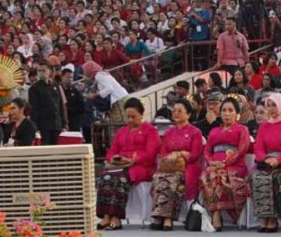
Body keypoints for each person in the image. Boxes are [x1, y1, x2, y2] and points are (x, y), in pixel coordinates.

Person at [95, 97, 158, 230]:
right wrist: (114, 159)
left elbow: (150, 153)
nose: (129, 120)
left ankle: (116, 218)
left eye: (133, 116)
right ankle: (106, 216)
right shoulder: (121, 131)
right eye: (127, 116)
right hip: (120, 165)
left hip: (141, 166)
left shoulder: (150, 130)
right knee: (105, 175)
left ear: (141, 114)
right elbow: (111, 152)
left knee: (120, 177)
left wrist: (133, 160)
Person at [248, 92, 281, 233]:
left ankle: (273, 218)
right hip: (265, 163)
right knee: (254, 177)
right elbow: (258, 147)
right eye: (268, 105)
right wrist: (265, 159)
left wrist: (278, 160)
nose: (270, 108)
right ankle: (263, 216)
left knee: (275, 178)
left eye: (274, 105)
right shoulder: (264, 126)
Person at [149, 98, 203, 231]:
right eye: (174, 111)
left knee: (173, 179)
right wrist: (169, 158)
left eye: (180, 111)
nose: (176, 113)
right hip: (169, 165)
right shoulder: (168, 132)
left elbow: (195, 155)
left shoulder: (195, 132)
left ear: (189, 114)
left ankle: (167, 218)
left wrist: (180, 154)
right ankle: (160, 216)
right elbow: (162, 153)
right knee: (159, 177)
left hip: (187, 166)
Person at [200, 96, 252, 231]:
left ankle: (216, 214)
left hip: (234, 166)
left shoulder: (242, 129)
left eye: (230, 110)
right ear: (220, 113)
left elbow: (242, 150)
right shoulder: (213, 131)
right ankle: (216, 212)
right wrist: (211, 162)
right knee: (208, 175)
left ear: (237, 113)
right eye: (224, 110)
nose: (227, 113)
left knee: (219, 175)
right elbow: (206, 151)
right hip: (215, 165)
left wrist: (224, 162)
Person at [28, 62, 64, 146]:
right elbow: (34, 109)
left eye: (43, 70)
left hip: (56, 124)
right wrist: (35, 127)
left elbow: (60, 105)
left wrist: (64, 123)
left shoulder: (56, 85)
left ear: (49, 71)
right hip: (44, 126)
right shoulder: (34, 88)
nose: (41, 72)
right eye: (39, 70)